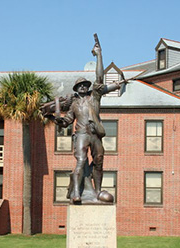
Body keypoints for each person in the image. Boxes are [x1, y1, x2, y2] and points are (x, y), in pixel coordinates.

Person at [52, 40, 127, 203]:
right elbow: (66, 121)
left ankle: (98, 191)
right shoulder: (73, 104)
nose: (83, 87)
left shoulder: (94, 97)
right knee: (81, 160)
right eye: (79, 85)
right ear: (76, 89)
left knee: (99, 161)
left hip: (96, 134)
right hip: (81, 135)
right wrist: (58, 120)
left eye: (85, 85)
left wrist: (99, 54)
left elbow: (100, 76)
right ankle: (77, 193)